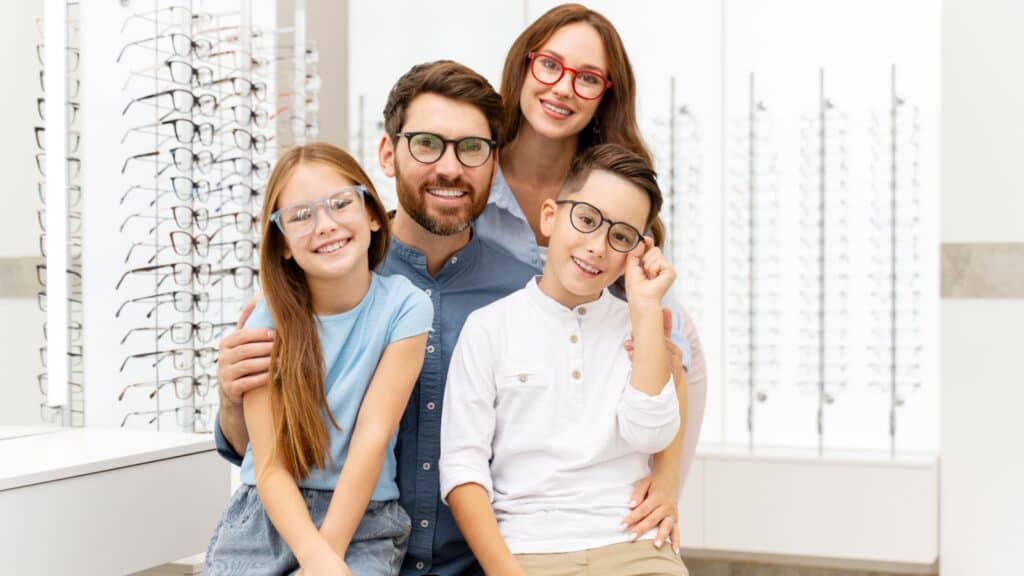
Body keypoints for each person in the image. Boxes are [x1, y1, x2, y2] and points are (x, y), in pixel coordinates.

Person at [214, 61, 538, 575]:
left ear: (494, 164)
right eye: (427, 143)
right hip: (317, 541)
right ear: (387, 154)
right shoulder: (322, 276)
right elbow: (256, 451)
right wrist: (231, 404)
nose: (450, 168)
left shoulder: (526, 294)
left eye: (472, 148)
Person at [475, 3, 708, 551]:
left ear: (606, 93)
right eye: (550, 65)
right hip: (505, 448)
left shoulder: (614, 185)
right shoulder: (474, 176)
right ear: (524, 66)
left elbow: (678, 350)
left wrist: (667, 478)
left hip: (595, 478)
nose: (563, 89)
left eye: (587, 79)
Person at [442, 144, 689, 576]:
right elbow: (463, 469)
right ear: (551, 216)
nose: (597, 247)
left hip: (633, 546)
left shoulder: (640, 327)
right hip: (526, 552)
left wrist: (646, 308)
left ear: (638, 250)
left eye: (621, 236)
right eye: (588, 220)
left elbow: (651, 433)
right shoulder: (488, 328)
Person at [203, 143, 433, 575]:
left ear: (371, 214)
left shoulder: (407, 308)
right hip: (266, 519)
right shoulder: (266, 317)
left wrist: (325, 560)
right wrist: (313, 556)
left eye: (340, 204)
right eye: (301, 216)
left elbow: (372, 437)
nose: (324, 225)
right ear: (284, 244)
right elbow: (269, 467)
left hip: (362, 520)